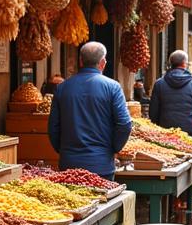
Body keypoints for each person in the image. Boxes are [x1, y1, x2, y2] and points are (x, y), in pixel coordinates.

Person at [48, 42, 131, 179]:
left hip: (69, 164)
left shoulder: (62, 88)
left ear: (80, 61)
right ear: (103, 62)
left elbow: (53, 127)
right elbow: (124, 124)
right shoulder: (113, 87)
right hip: (101, 164)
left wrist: (64, 150)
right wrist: (114, 148)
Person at [149, 50, 192, 137]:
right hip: (189, 130)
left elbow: (154, 111)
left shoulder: (159, 84)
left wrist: (155, 129)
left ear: (171, 63)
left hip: (165, 129)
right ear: (185, 64)